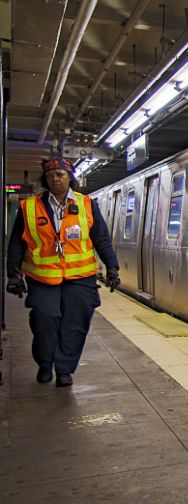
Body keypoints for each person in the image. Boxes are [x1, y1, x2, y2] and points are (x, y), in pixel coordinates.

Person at [5, 158, 120, 387]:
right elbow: (17, 243)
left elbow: (101, 239)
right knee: (43, 319)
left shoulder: (86, 204)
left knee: (75, 323)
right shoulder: (29, 207)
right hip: (43, 277)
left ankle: (65, 369)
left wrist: (112, 268)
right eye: (51, 176)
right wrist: (13, 274)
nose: (56, 179)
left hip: (80, 278)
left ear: (69, 178)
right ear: (45, 180)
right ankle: (45, 363)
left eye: (60, 174)